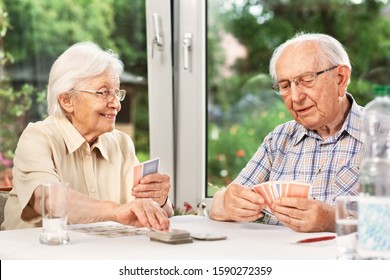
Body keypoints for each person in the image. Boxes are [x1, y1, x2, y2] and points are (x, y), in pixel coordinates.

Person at [1, 42, 173, 230]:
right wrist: (115, 211)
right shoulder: (37, 137)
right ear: (67, 100)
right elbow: (48, 199)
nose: (116, 104)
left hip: (98, 254)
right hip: (36, 254)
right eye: (103, 92)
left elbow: (140, 210)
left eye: (117, 93)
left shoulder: (122, 143)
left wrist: (159, 200)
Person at [209, 32, 363, 233]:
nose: (296, 97)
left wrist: (334, 220)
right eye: (285, 86)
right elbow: (222, 204)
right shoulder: (279, 139)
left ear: (340, 79)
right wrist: (227, 203)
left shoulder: (381, 135)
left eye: (306, 80)